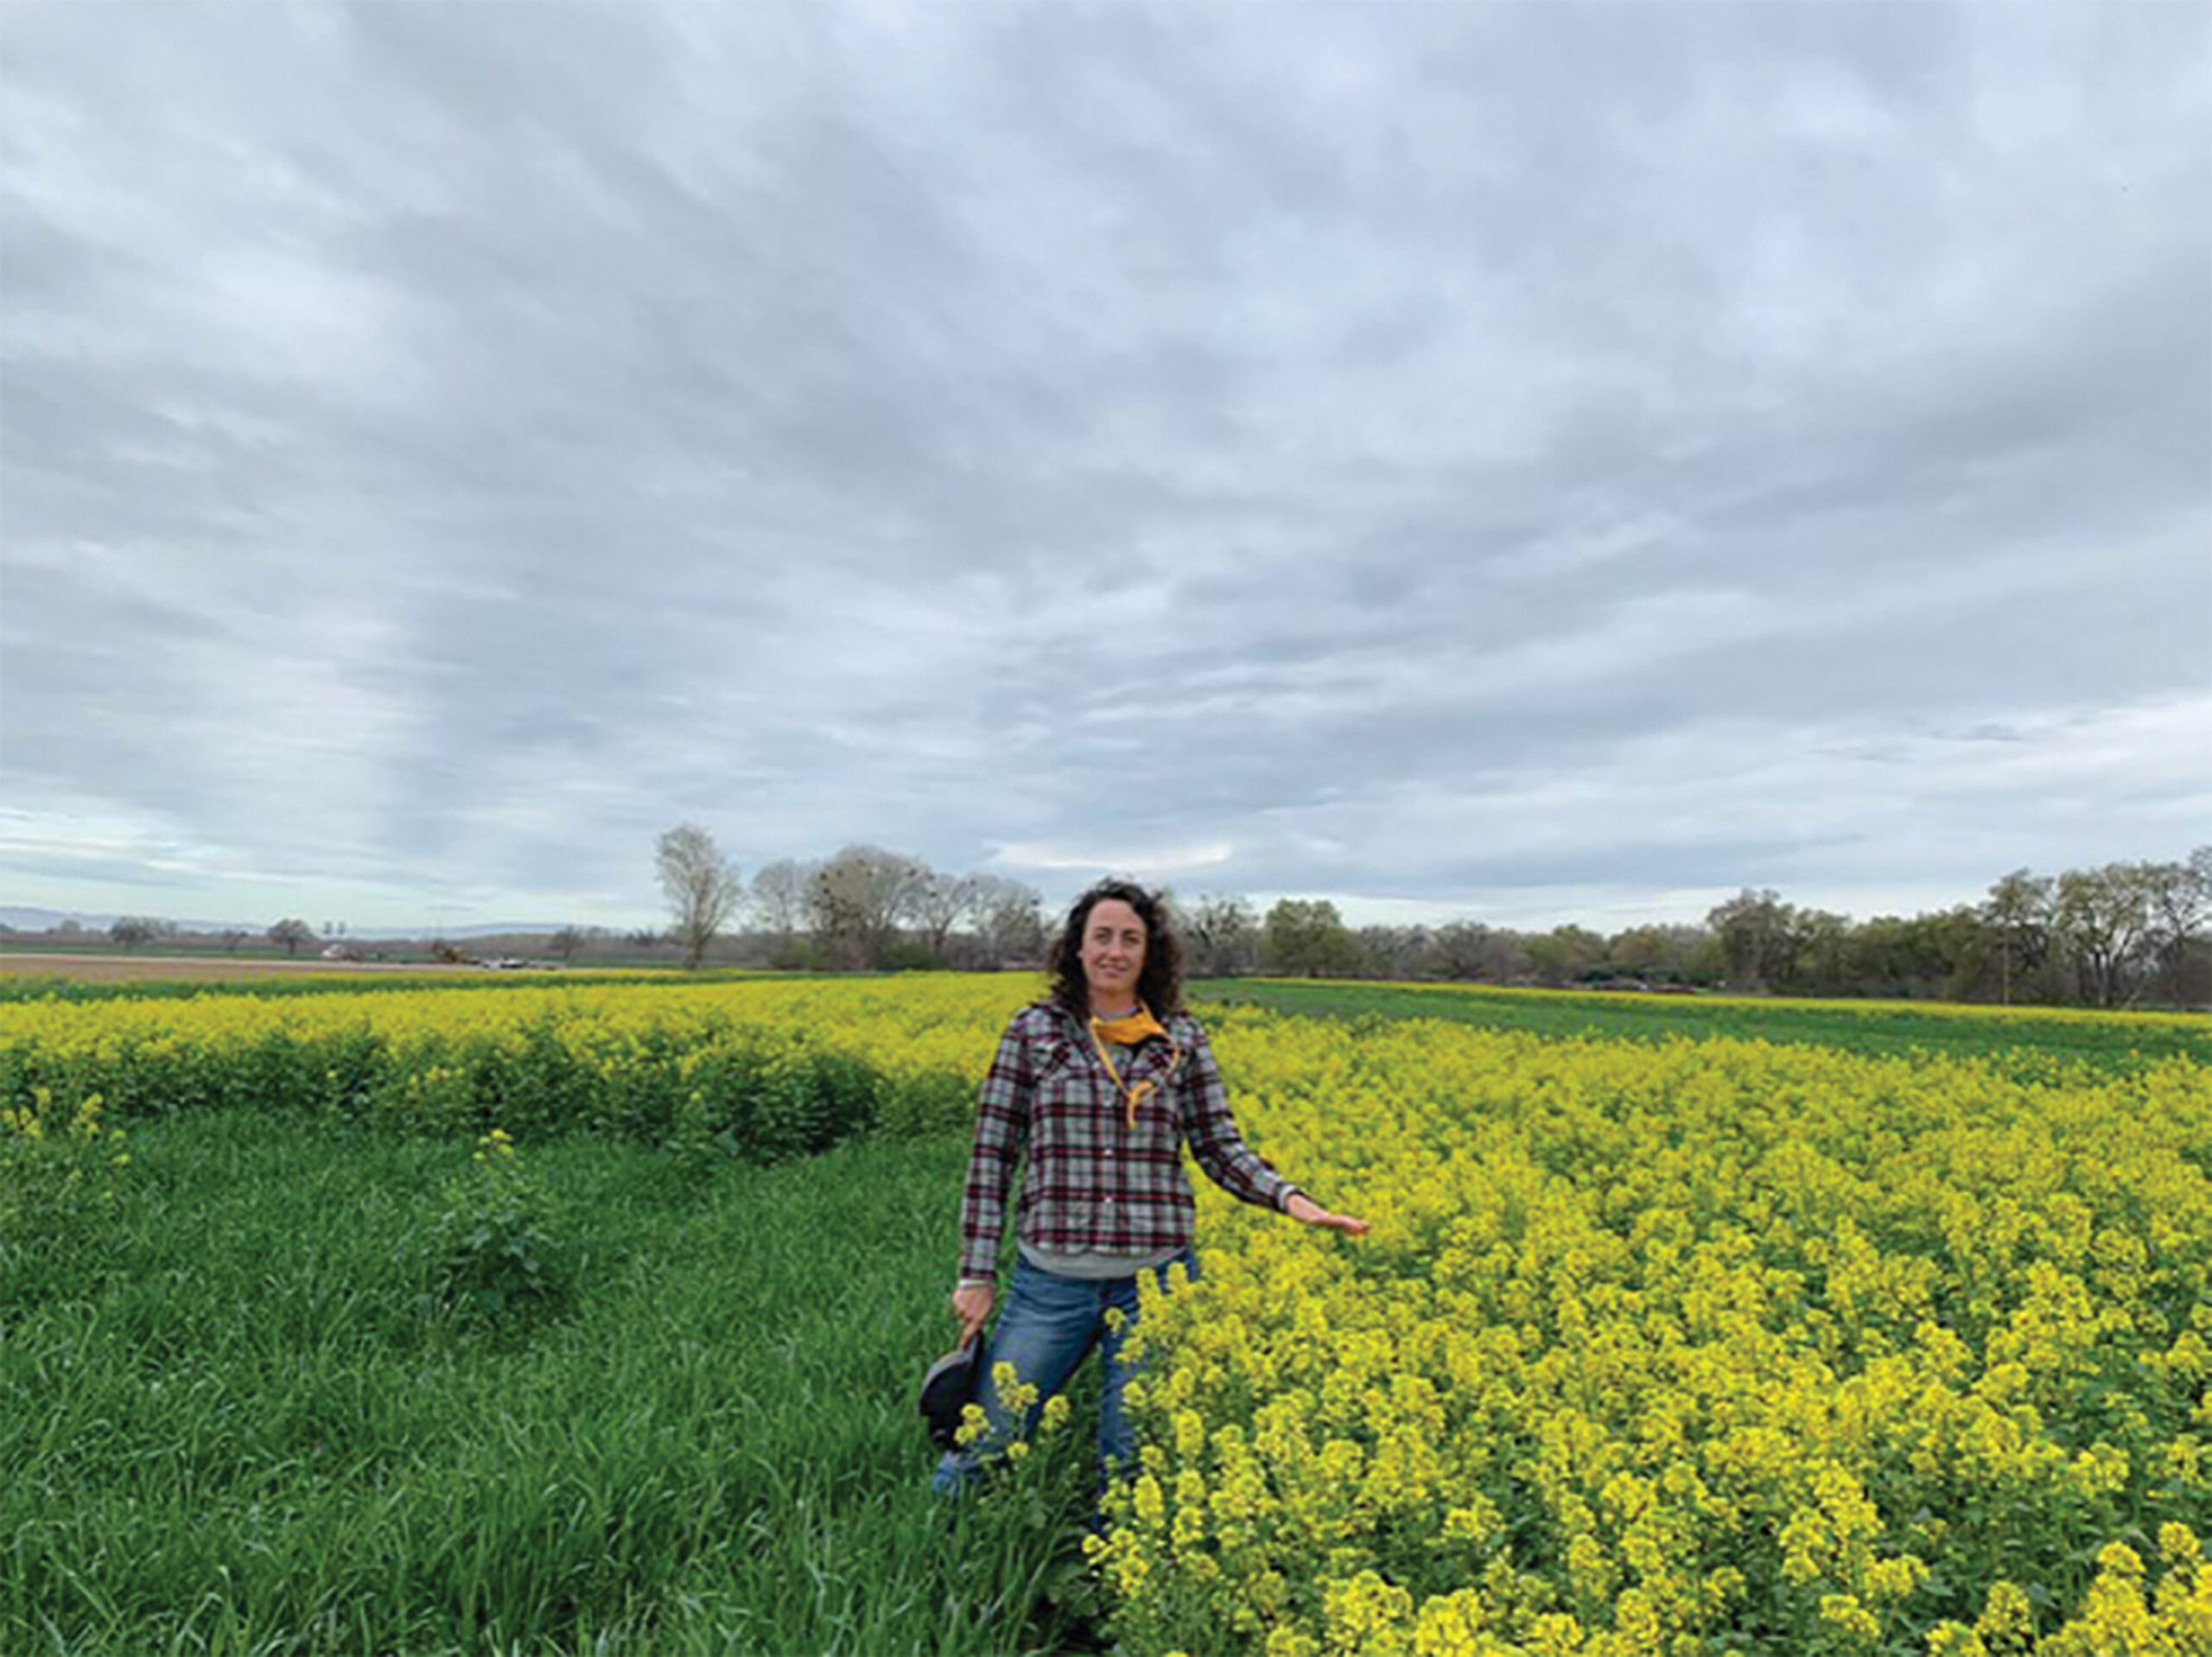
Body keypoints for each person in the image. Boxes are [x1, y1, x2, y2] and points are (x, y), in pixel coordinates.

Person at [931, 879, 1369, 1498]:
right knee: (985, 1439)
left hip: (1156, 1286)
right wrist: (976, 1275)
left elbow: (1218, 1145)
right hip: (1051, 1282)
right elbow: (992, 1155)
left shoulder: (1181, 1039)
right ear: (1078, 947)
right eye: (1102, 936)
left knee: (1133, 1457)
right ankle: (940, 1541)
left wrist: (1291, 1200)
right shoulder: (1033, 1032)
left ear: (1149, 952)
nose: (1115, 951)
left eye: (1130, 939)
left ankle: (1107, 1554)